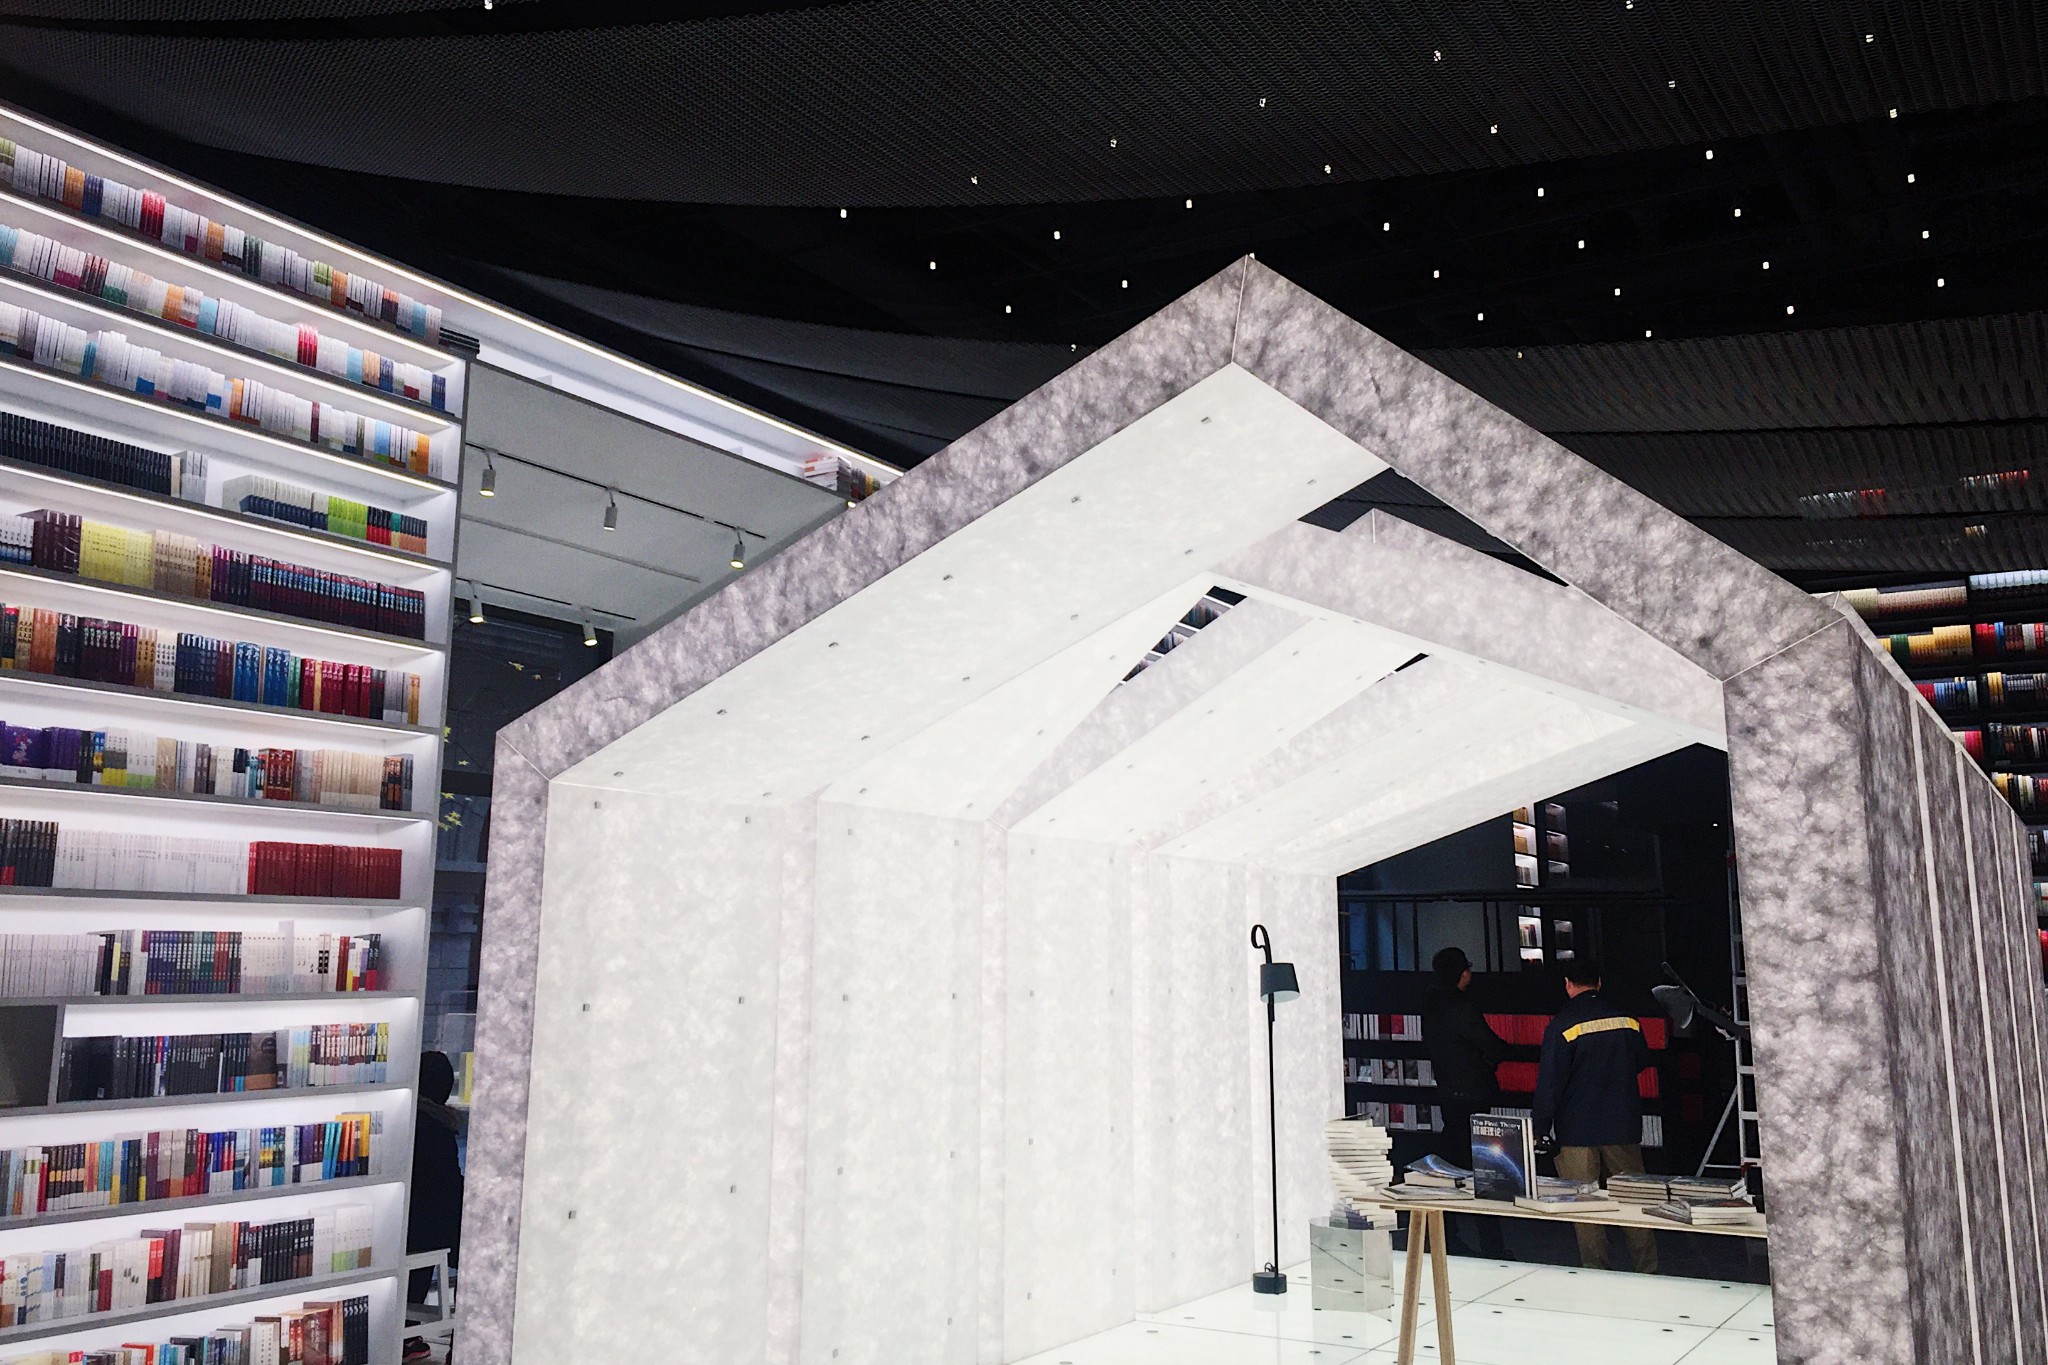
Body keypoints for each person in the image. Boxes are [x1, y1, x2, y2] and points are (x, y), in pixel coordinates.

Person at [1532, 957, 1658, 1274]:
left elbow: (1550, 1083)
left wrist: (1540, 1128)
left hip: (1577, 1131)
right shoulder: (1627, 1021)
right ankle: (1647, 1269)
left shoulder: (1562, 1026)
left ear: (1568, 984)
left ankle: (1595, 1271)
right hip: (1622, 1125)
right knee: (1632, 1200)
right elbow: (1642, 1060)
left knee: (1584, 1205)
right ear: (1599, 983)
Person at [1421, 945, 1510, 1259]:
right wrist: (1495, 1057)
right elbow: (1490, 1044)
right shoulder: (1461, 1006)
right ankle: (1491, 1244)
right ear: (1462, 974)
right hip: (1472, 1094)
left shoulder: (1430, 1005)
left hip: (1448, 1092)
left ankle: (1448, 1236)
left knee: (1451, 1166)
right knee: (1483, 1169)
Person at [407, 1051, 465, 1360]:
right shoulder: (437, 1127)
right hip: (427, 1228)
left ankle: (406, 1329)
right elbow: (448, 1186)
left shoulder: (406, 1119)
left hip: (407, 1224)